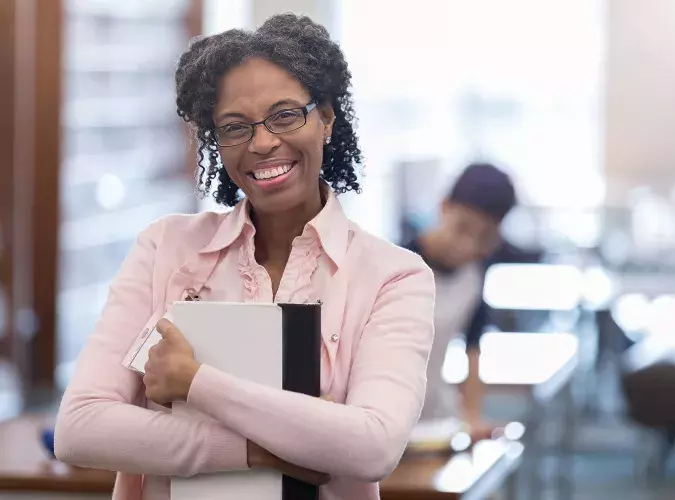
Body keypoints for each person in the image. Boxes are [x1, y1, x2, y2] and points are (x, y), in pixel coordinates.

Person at [54, 14, 435, 500]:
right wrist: (257, 451)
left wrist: (195, 383)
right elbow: (80, 426)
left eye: (284, 115)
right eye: (234, 127)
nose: (262, 143)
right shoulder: (165, 248)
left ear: (326, 118)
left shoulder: (393, 277)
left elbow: (373, 446)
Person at [403, 163, 519, 440]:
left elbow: (473, 347)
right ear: (443, 207)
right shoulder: (397, 263)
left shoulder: (475, 273)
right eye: (462, 228)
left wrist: (472, 417)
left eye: (485, 237)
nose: (468, 245)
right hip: (390, 419)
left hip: (439, 417)